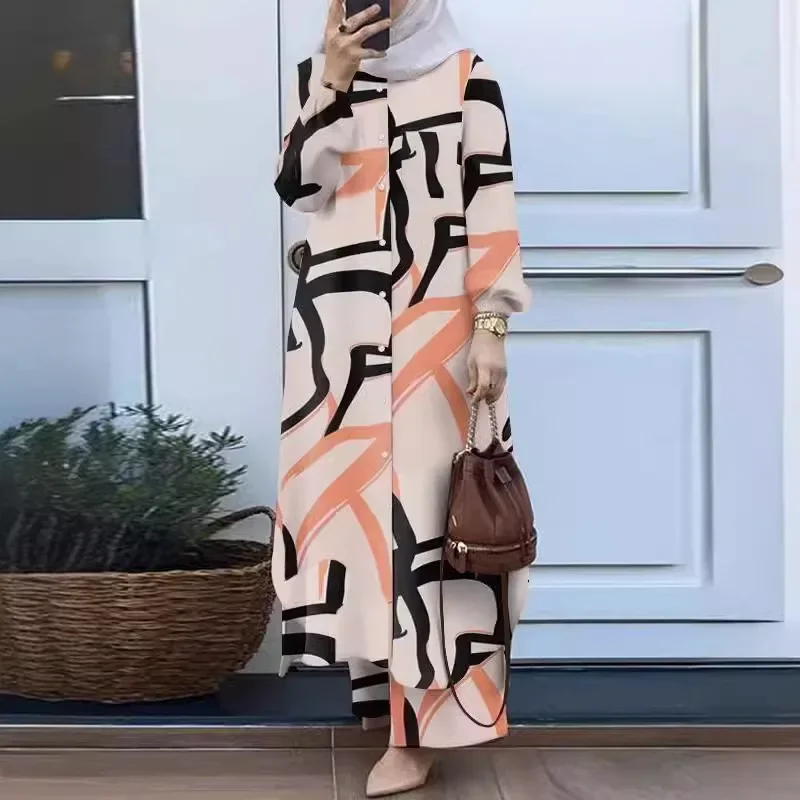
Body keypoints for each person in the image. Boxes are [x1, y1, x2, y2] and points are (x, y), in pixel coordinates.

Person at [273, 0, 531, 795]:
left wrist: (491, 327)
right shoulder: (321, 76)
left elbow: (492, 207)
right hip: (338, 333)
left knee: (431, 528)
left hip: (435, 337)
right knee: (354, 522)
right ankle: (384, 707)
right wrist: (331, 84)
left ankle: (421, 731)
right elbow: (300, 189)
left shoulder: (467, 78)